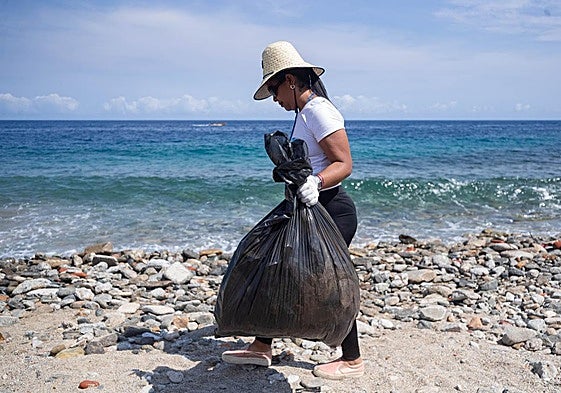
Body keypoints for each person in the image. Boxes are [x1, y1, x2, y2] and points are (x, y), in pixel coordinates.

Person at [221, 41, 363, 380]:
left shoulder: (318, 111)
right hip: (307, 212)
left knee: (329, 281)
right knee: (277, 269)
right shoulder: (303, 113)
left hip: (331, 210)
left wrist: (315, 180)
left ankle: (353, 359)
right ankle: (261, 344)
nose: (273, 98)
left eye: (273, 88)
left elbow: (344, 164)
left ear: (290, 80)